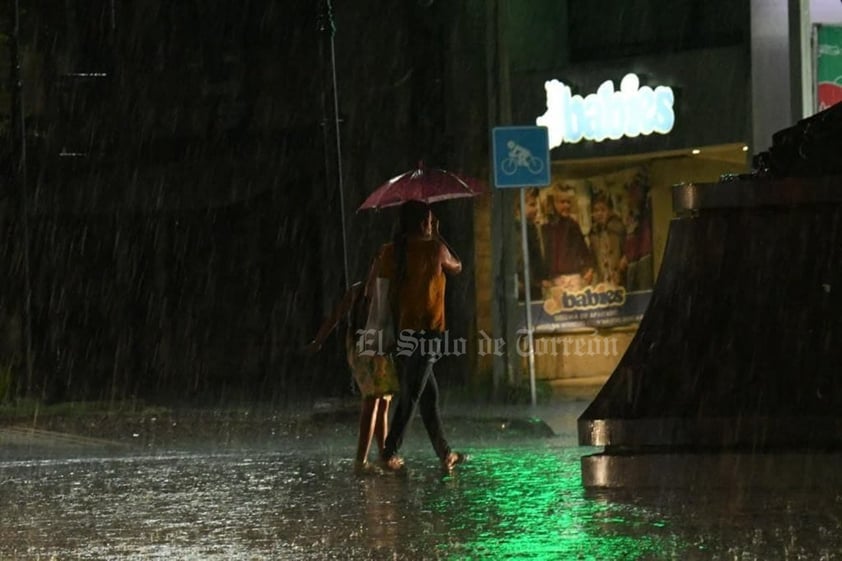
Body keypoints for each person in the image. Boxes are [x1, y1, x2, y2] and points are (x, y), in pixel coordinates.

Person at [376, 200, 468, 473]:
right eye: (429, 219)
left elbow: (382, 291)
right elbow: (457, 266)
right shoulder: (435, 249)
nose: (431, 222)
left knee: (428, 396)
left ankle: (445, 453)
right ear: (423, 223)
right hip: (429, 333)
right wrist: (439, 235)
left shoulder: (391, 252)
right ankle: (389, 451)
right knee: (413, 394)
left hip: (404, 332)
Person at [304, 258, 401, 474]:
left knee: (383, 401)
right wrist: (318, 340)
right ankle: (361, 460)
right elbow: (336, 316)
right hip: (361, 348)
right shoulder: (358, 292)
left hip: (381, 348)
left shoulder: (388, 293)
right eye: (376, 268)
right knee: (371, 400)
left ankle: (384, 454)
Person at [541, 184, 595, 292]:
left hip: (573, 276)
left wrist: (589, 268)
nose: (566, 205)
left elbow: (583, 249)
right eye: (562, 202)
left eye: (568, 202)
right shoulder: (547, 227)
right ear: (553, 203)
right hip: (554, 278)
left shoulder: (573, 225)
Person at [515, 187, 547, 301]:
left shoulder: (530, 228)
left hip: (533, 284)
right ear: (519, 207)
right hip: (526, 286)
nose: (536, 209)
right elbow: (521, 259)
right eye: (532, 205)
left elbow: (536, 256)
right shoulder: (518, 229)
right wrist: (532, 281)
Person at [588, 191, 626, 286]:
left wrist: (624, 260)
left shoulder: (617, 227)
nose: (599, 214)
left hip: (617, 273)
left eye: (603, 210)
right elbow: (593, 256)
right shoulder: (593, 233)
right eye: (596, 211)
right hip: (602, 275)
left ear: (610, 211)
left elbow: (626, 246)